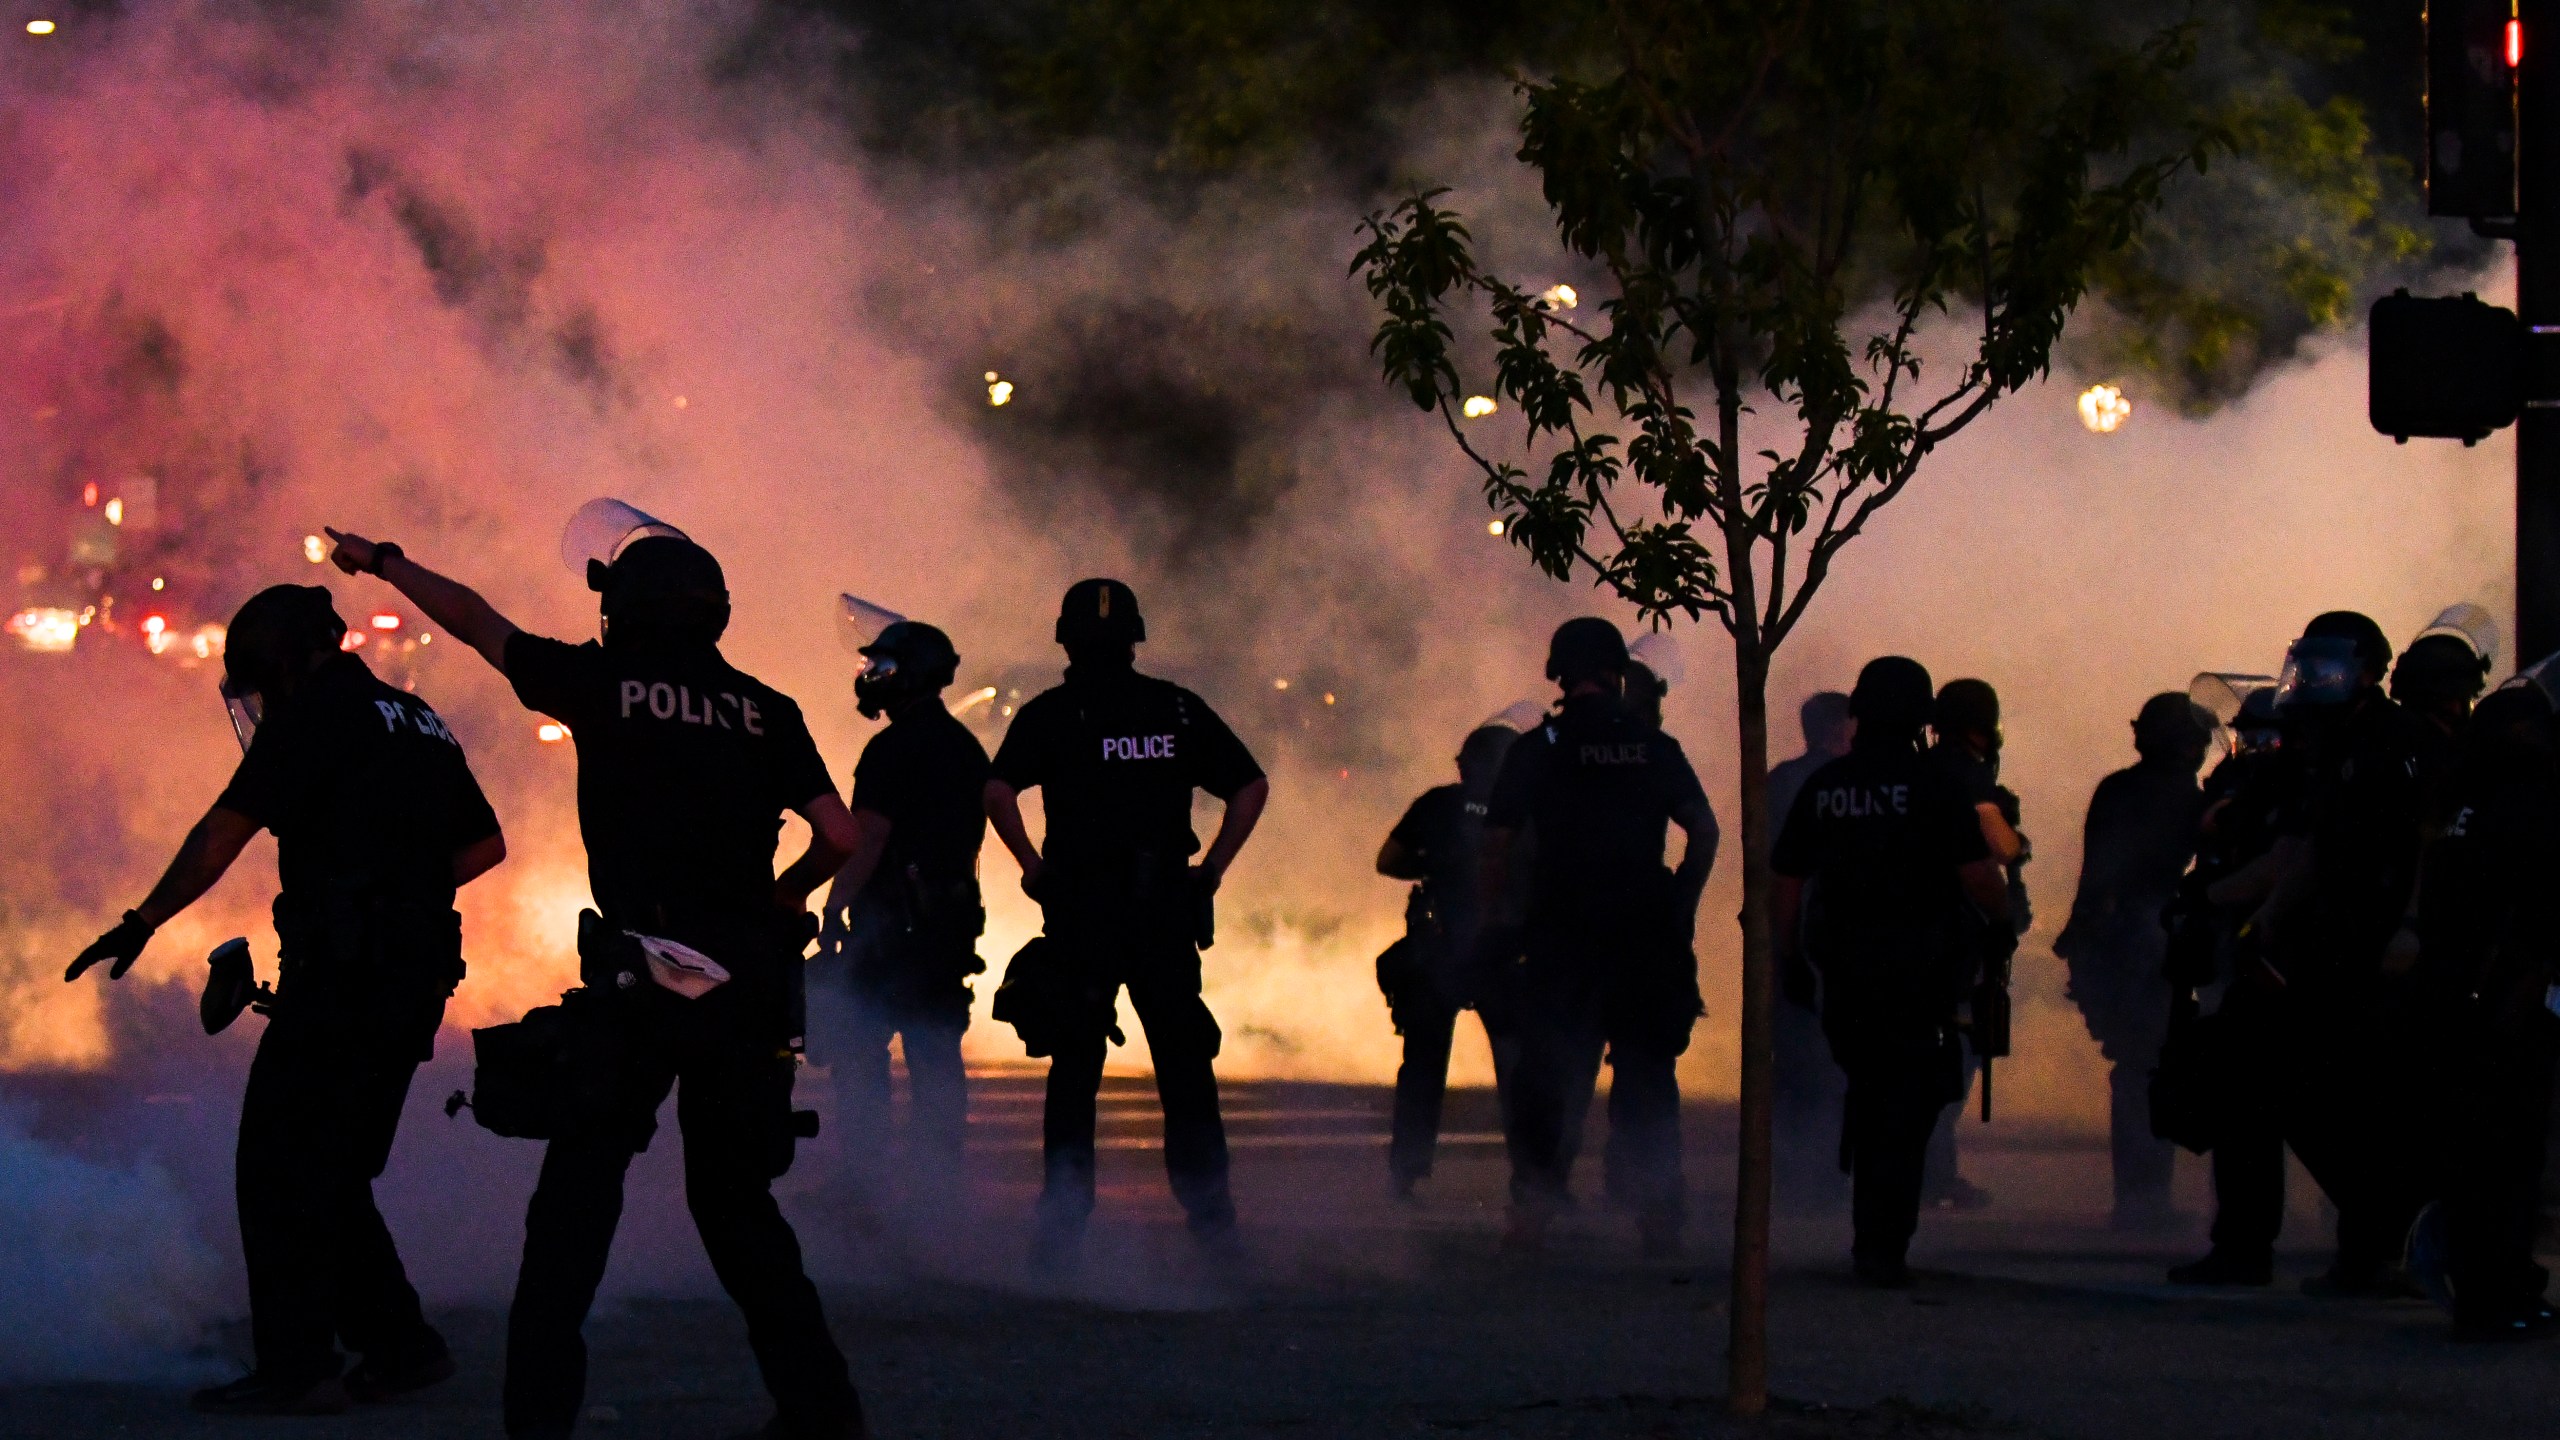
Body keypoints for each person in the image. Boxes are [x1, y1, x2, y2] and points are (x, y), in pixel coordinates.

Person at [324, 516, 865, 1440]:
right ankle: (821, 1411)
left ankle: (539, 1422)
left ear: (624, 610)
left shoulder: (602, 682)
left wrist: (383, 562)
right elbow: (843, 836)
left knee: (576, 1206)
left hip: (641, 981)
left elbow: (476, 621)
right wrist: (781, 898)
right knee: (738, 1208)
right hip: (742, 985)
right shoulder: (768, 709)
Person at [65, 583, 506, 1415]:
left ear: (292, 661)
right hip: (412, 979)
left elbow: (222, 831)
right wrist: (403, 894)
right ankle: (402, 1348)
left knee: (276, 1165)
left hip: (342, 978)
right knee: (331, 1170)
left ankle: (298, 1368)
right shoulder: (415, 715)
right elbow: (485, 845)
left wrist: (144, 920)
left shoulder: (316, 712)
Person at [985, 578, 1271, 1270]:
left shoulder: (1053, 713)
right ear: (1134, 639)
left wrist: (1030, 865)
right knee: (1183, 1065)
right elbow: (1250, 785)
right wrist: (1214, 868)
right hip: (1163, 912)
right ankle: (1213, 1227)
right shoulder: (1175, 708)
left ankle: (1059, 1231)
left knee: (1075, 1066)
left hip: (1083, 912)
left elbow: (997, 789)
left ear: (1067, 640)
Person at [1482, 617, 1717, 1256]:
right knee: (1646, 1074)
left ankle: (1532, 1211)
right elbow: (1704, 830)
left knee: (1551, 1075)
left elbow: (1497, 848)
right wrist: (1680, 906)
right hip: (1643, 935)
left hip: (1562, 936)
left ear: (1559, 675)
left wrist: (1502, 925)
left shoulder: (1538, 748)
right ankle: (1657, 1214)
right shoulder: (1652, 745)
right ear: (1618, 674)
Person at [1773, 656, 2006, 1287]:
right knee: (1910, 1100)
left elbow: (1787, 880)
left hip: (1845, 969)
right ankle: (1882, 1242)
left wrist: (1790, 957)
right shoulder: (1938, 786)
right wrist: (2004, 920)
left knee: (1868, 1088)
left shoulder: (1825, 787)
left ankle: (1868, 1230)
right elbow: (1978, 874)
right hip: (1921, 973)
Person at [2237, 610, 2438, 1297]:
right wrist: (2270, 915)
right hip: (2331, 941)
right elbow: (2314, 844)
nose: (2315, 677)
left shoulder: (2399, 737)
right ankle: (2372, 1243)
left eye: (2330, 665)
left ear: (2367, 670)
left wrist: (2410, 924)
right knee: (2309, 1096)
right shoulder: (2325, 743)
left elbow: (2427, 837)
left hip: (2386, 947)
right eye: (2310, 664)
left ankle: (2380, 1251)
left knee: (2373, 1101)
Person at [812, 618, 990, 1208]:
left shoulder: (891, 749)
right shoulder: (965, 747)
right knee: (936, 1055)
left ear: (907, 675)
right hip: (950, 924)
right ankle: (937, 1191)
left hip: (891, 929)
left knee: (861, 1055)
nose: (869, 678)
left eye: (880, 668)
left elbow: (869, 840)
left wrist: (836, 904)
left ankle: (865, 1190)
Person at [2413, 672, 2560, 1339]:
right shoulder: (2527, 801)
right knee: (2509, 1156)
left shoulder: (2455, 807)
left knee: (2473, 1153)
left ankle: (2484, 1285)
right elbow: (2534, 906)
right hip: (2507, 1001)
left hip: (2452, 997)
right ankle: (2499, 1291)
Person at [2054, 693, 2211, 1230]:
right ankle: (2144, 1201)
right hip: (2147, 942)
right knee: (2147, 1068)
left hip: (2106, 941)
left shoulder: (2117, 789)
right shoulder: (2185, 800)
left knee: (2133, 1068)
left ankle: (2139, 1198)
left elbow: (2095, 876)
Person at [2164, 684, 2299, 1287]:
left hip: (2279, 961)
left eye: (2265, 736)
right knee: (2238, 1105)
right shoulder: (2234, 783)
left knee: (2263, 1105)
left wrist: (2211, 895)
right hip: (2230, 964)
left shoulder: (2300, 788)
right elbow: (2202, 840)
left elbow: (2281, 869)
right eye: (2247, 735)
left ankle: (2360, 1241)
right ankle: (2242, 1241)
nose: (2253, 746)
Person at [1376, 720, 1523, 1199]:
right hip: (1498, 955)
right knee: (1517, 1069)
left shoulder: (1437, 804)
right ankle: (1532, 1174)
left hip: (1438, 952)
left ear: (1464, 765)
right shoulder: (1521, 811)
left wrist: (1435, 863)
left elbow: (1388, 861)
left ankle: (1406, 1172)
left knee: (1422, 1067)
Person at [1922, 678, 2026, 1210]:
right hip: (1955, 943)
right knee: (1952, 1061)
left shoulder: (1917, 772)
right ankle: (1933, 1174)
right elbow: (1996, 853)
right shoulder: (1969, 778)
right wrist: (2005, 916)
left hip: (1909, 941)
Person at [1770, 691, 1855, 1212]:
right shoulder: (1848, 781)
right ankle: (1827, 1182)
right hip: (1838, 942)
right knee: (1837, 1068)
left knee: (1796, 1068)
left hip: (1788, 942)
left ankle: (1795, 1181)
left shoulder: (1780, 780)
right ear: (1839, 729)